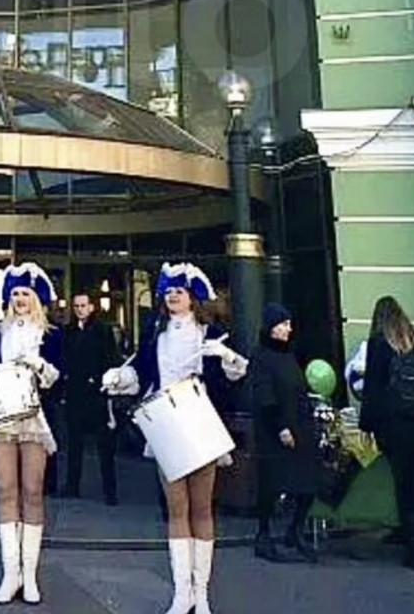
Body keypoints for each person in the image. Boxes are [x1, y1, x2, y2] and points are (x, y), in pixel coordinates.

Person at [103, 262, 248, 614]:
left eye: (178, 292)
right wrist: (119, 377)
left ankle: (202, 594)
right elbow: (142, 374)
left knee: (203, 508)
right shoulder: (157, 336)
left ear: (192, 297)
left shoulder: (210, 334)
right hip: (167, 424)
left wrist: (225, 355)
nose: (172, 297)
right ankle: (182, 594)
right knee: (176, 509)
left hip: (199, 420)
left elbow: (236, 373)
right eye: (168, 292)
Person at [0, 262, 63, 606]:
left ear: (36, 298)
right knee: (6, 491)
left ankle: (30, 575)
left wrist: (38, 364)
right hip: (3, 418)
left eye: (25, 293)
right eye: (15, 293)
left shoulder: (51, 335)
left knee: (32, 491)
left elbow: (58, 378)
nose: (19, 299)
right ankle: (10, 574)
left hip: (35, 416)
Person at [251, 303, 322, 563]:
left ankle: (296, 530)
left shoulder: (289, 355)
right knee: (272, 485)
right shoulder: (261, 357)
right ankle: (264, 535)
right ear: (271, 327)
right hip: (275, 430)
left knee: (308, 483)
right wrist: (280, 426)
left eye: (289, 324)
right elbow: (265, 394)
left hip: (301, 426)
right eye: (283, 324)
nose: (288, 329)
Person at [359, 295, 414, 571]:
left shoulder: (379, 344)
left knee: (407, 487)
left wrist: (367, 427)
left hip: (397, 429)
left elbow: (372, 389)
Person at [63, 290, 120, 503]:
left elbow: (111, 359)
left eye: (83, 306)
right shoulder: (68, 331)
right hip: (75, 393)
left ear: (91, 307)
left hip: (97, 394)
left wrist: (101, 381)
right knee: (74, 444)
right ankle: (72, 486)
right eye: (76, 306)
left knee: (104, 446)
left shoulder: (102, 330)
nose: (80, 310)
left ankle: (110, 491)